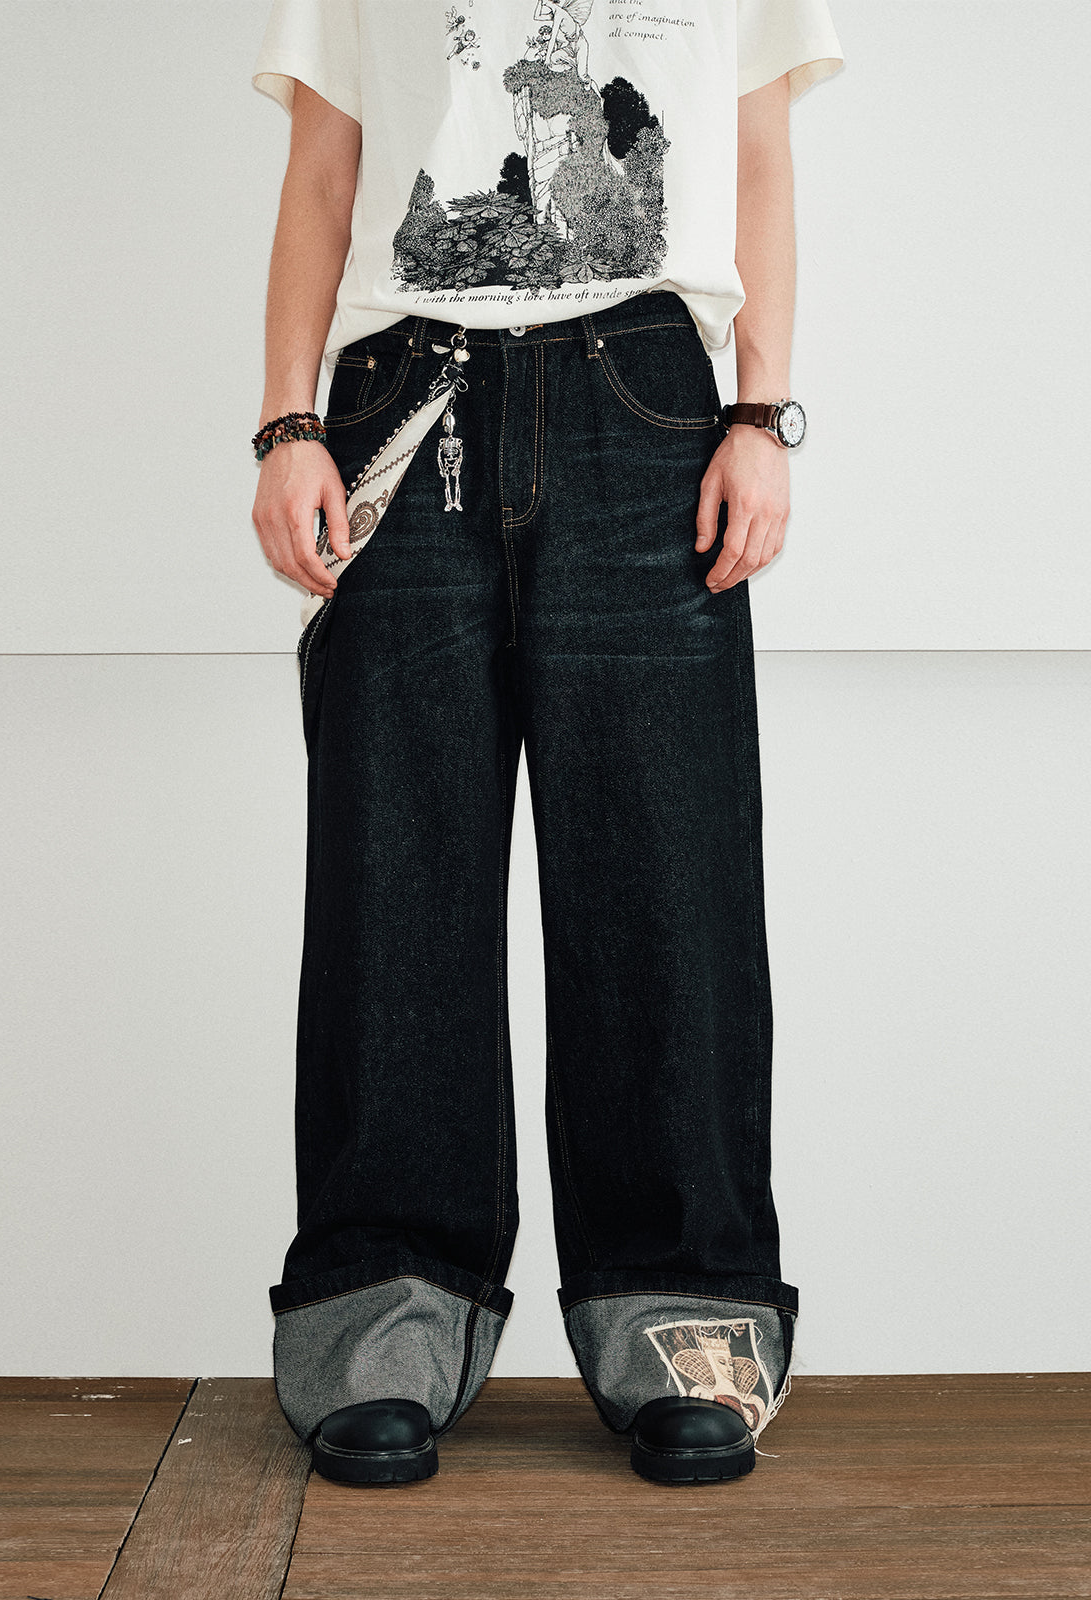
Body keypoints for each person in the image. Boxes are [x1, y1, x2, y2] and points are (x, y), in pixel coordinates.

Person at [249, 0, 843, 1487]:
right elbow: (326, 166)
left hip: (646, 404)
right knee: (396, 884)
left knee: (668, 884)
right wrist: (286, 425)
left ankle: (687, 1312)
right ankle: (381, 1312)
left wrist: (764, 412)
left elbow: (758, 154)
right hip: (406, 399)